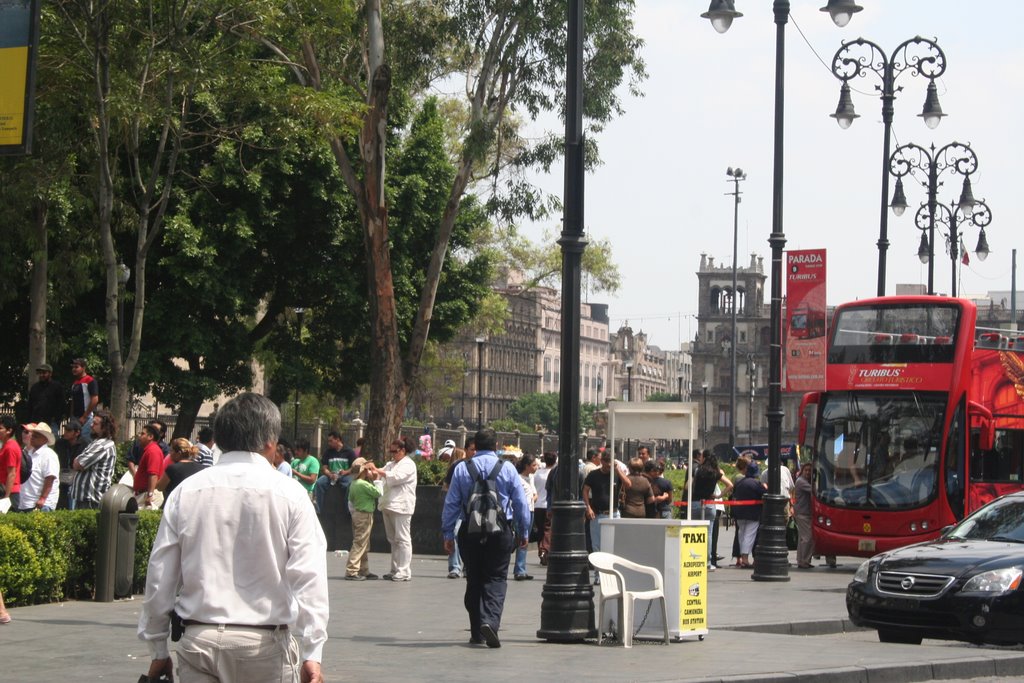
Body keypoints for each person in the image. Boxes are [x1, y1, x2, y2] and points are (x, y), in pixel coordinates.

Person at [138, 392, 328, 683]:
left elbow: (161, 574)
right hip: (264, 645)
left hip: (199, 638)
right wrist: (312, 652)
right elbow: (309, 576)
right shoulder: (290, 494)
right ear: (270, 442)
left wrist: (158, 646)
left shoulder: (186, 492)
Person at [441, 428, 530, 649]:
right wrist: (524, 531)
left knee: (474, 579)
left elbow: (451, 503)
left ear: (475, 446)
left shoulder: (461, 468)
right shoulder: (507, 468)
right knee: (496, 579)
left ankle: (476, 630)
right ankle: (490, 621)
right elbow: (520, 503)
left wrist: (447, 533)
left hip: (469, 531)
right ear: (496, 445)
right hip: (500, 531)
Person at [376, 437, 417, 581]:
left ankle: (404, 570)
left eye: (395, 451)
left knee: (403, 539)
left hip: (401, 506)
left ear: (403, 451)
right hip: (388, 504)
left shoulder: (408, 464)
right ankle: (394, 569)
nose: (392, 454)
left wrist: (379, 472)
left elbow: (396, 478)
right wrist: (369, 470)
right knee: (393, 539)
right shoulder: (391, 464)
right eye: (391, 451)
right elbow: (380, 473)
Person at [583, 453, 631, 557]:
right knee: (597, 544)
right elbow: (585, 490)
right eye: (606, 461)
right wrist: (588, 508)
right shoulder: (593, 474)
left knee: (615, 543)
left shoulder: (616, 474)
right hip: (597, 513)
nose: (609, 464)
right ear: (602, 461)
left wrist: (618, 470)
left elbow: (628, 484)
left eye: (611, 461)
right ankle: (598, 572)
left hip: (613, 513)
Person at [691, 450, 733, 569]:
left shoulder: (698, 470)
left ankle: (694, 558)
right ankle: (707, 562)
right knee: (708, 533)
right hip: (709, 503)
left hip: (695, 502)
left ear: (704, 458)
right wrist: (719, 496)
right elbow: (730, 485)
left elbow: (691, 486)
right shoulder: (716, 472)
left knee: (694, 531)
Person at [69, 410, 117, 510]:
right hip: (85, 501)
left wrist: (78, 460)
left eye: (95, 423)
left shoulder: (102, 445)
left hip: (90, 502)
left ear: (105, 427)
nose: (91, 425)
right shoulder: (96, 443)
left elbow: (78, 464)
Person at [345, 457, 381, 581]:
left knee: (363, 543)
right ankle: (352, 570)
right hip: (364, 515)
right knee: (360, 543)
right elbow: (378, 493)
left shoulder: (354, 484)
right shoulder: (363, 484)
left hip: (356, 514)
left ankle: (363, 569)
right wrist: (376, 480)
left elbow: (350, 501)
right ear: (364, 471)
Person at [17, 423, 60, 512]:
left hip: (41, 505)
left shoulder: (48, 454)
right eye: (32, 435)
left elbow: (50, 478)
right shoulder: (29, 453)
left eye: (36, 436)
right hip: (26, 503)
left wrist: (42, 499)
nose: (32, 438)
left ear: (45, 439)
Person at [733, 461, 766, 568]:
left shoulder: (739, 482)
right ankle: (746, 559)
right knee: (749, 535)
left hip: (739, 512)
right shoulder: (756, 484)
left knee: (741, 535)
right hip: (752, 514)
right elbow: (765, 493)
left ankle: (743, 558)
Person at [442, 447, 469, 579]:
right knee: (454, 533)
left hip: (474, 509)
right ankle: (455, 567)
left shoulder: (483, 465)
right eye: (471, 449)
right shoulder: (458, 466)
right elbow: (446, 485)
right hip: (457, 507)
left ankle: (468, 566)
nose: (474, 452)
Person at [314, 431, 355, 514]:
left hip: (344, 476)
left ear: (338, 439)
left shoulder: (349, 451)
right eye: (328, 441)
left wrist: (345, 472)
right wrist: (330, 474)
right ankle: (318, 510)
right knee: (319, 483)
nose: (329, 443)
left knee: (349, 485)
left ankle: (348, 510)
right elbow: (324, 468)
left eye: (331, 441)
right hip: (331, 475)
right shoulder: (328, 452)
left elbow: (354, 467)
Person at [513, 453, 539, 580]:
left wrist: (532, 498)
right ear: (527, 466)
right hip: (522, 511)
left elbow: (535, 494)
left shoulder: (531, 477)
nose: (536, 467)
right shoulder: (518, 479)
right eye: (534, 465)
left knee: (525, 540)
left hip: (531, 510)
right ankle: (519, 569)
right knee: (521, 539)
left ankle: (521, 568)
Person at [134, 424, 166, 509]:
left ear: (150, 436)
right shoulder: (150, 450)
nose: (139, 436)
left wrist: (150, 494)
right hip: (144, 494)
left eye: (142, 434)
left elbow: (153, 474)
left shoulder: (153, 451)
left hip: (148, 496)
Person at [533, 451, 557, 565]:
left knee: (540, 530)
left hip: (537, 505)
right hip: (547, 505)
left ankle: (541, 551)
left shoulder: (537, 473)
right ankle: (545, 550)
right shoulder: (555, 473)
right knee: (548, 530)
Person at [27, 363, 65, 434]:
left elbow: (61, 404)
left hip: (51, 422)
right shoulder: (35, 387)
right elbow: (30, 405)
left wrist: (57, 419)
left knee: (51, 443)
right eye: (40, 373)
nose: (41, 375)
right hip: (36, 422)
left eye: (44, 373)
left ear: (50, 373)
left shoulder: (57, 386)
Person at [54, 420, 85, 509]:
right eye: (65, 429)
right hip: (62, 477)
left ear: (77, 433)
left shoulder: (84, 444)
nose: (65, 432)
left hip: (76, 479)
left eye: (69, 430)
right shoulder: (60, 443)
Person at [69, 358, 100, 443]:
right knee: (75, 441)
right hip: (75, 417)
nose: (74, 369)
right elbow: (73, 401)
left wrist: (84, 416)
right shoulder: (74, 383)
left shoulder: (90, 381)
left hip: (87, 417)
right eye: (73, 367)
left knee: (85, 441)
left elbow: (95, 399)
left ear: (83, 368)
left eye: (76, 367)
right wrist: (71, 416)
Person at [794, 462, 816, 569]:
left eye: (810, 470)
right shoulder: (801, 482)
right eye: (806, 470)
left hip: (804, 512)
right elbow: (814, 491)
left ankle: (802, 560)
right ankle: (804, 561)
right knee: (808, 538)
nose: (808, 472)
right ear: (802, 471)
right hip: (803, 513)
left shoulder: (803, 480)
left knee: (802, 538)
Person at [0, 416, 23, 510]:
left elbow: (11, 474)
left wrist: (6, 497)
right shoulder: (5, 445)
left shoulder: (10, 447)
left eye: (0, 428)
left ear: (9, 431)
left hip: (9, 493)